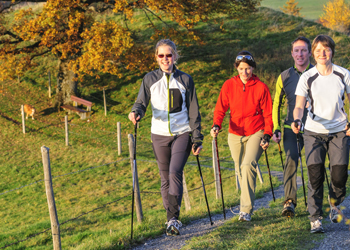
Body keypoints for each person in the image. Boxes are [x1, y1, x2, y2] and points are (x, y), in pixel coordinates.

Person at [128, 39, 203, 236]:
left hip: (182, 132)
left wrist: (197, 138)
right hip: (158, 134)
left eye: (168, 55)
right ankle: (171, 219)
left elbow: (194, 110)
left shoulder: (186, 80)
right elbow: (141, 103)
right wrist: (136, 112)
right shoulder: (150, 79)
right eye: (161, 55)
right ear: (156, 58)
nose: (165, 59)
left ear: (175, 56)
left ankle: (173, 219)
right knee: (164, 179)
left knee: (174, 172)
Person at [292, 34, 350, 233]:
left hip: (340, 131)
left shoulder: (343, 74)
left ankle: (334, 204)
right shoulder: (307, 77)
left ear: (332, 51)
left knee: (340, 175)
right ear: (313, 54)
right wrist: (297, 119)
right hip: (313, 132)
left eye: (326, 49)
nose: (322, 53)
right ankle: (315, 218)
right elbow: (299, 105)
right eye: (318, 50)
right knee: (315, 175)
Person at [211, 50, 273, 222]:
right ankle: (246, 205)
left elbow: (268, 114)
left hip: (256, 131)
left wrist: (267, 134)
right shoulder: (229, 85)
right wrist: (216, 124)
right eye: (241, 69)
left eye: (248, 68)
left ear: (252, 68)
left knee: (248, 165)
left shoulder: (261, 87)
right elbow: (220, 108)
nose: (244, 72)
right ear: (236, 69)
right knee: (239, 169)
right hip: (235, 133)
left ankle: (245, 210)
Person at [272, 36, 313, 218]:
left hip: (314, 127)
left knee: (314, 164)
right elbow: (276, 104)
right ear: (291, 54)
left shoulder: (318, 73)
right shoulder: (284, 76)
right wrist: (276, 127)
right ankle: (289, 202)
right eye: (296, 50)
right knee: (291, 160)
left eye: (303, 50)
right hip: (291, 127)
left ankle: (315, 201)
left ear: (310, 52)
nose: (300, 54)